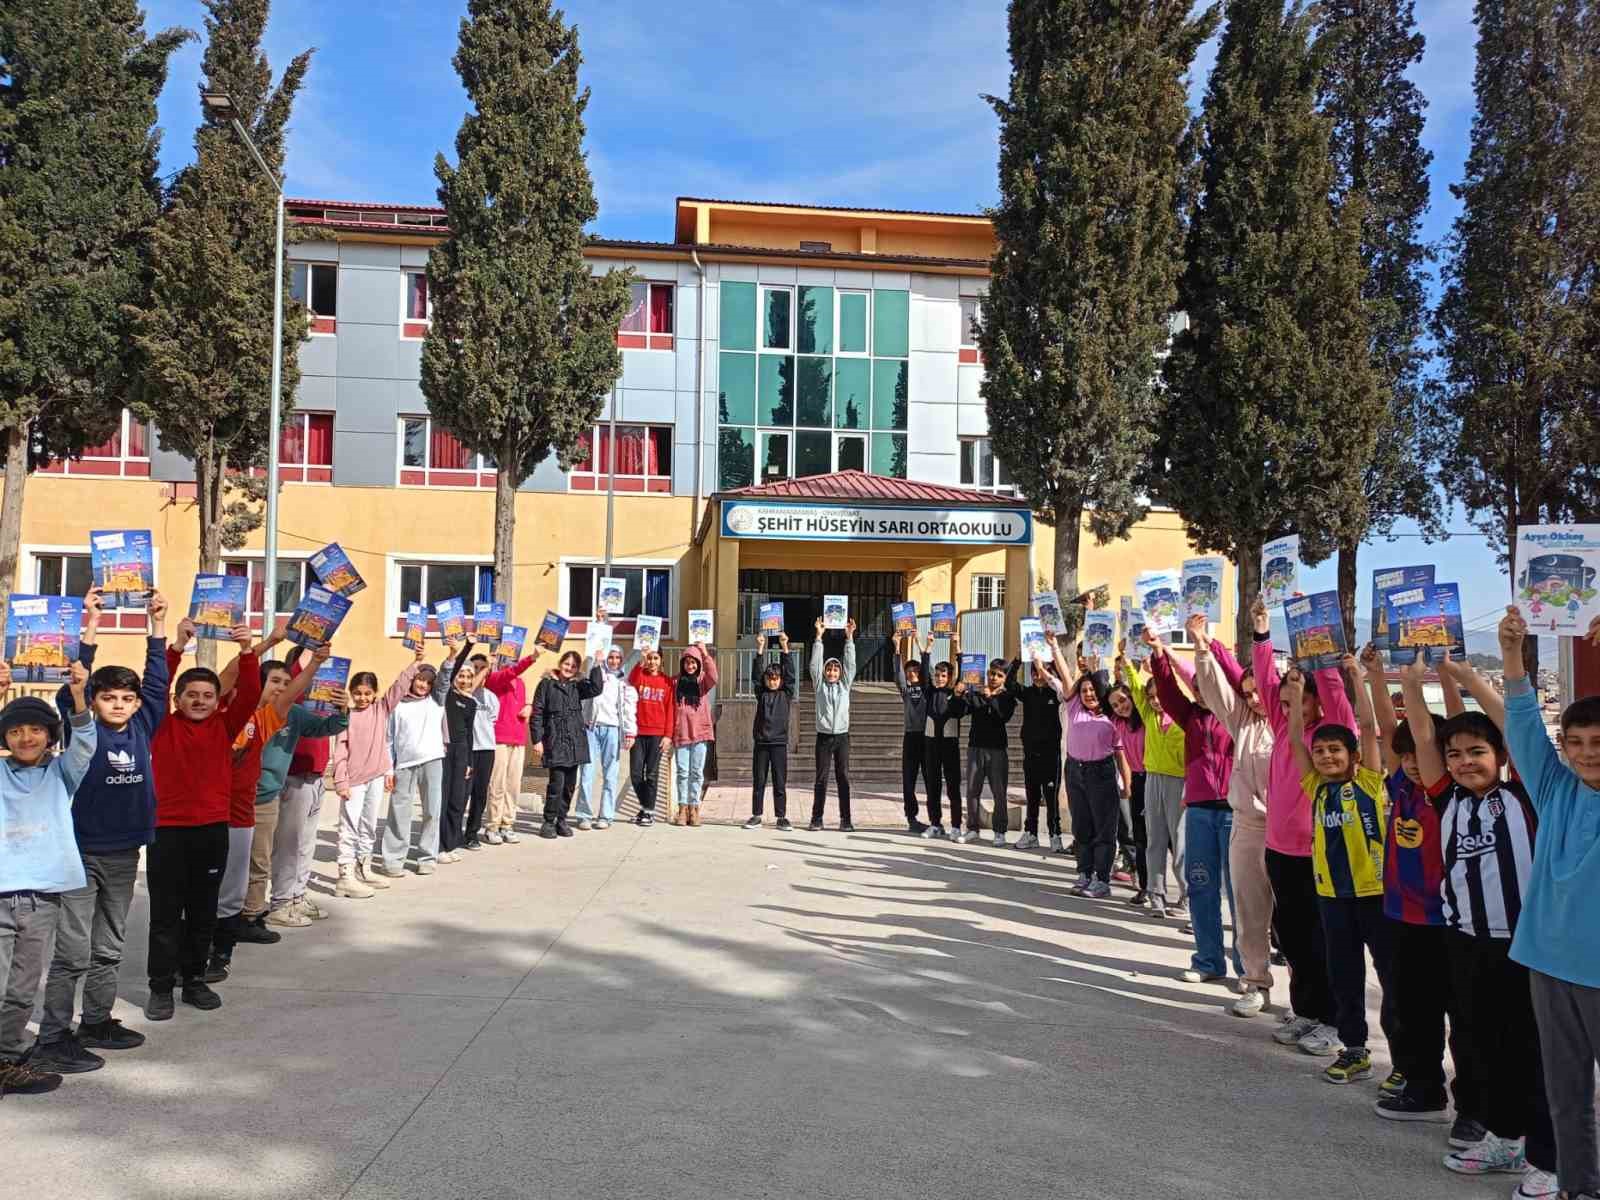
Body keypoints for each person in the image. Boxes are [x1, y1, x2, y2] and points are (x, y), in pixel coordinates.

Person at [1405, 628, 1555, 1190]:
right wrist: (1415, 685)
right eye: (1456, 755)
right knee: (1485, 1047)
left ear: (1498, 756)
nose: (1465, 762)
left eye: (1477, 752)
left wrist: (1466, 679)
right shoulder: (1446, 799)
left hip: (1525, 944)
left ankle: (1549, 1157)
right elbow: (1423, 734)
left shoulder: (1523, 794)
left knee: (1533, 1052)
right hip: (1466, 942)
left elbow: (1523, 731)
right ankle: (1505, 1137)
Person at [28, 590, 168, 1075]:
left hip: (125, 852)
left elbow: (157, 684)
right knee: (72, 950)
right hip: (79, 854)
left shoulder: (144, 724)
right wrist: (91, 622)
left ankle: (96, 1021)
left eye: (126, 699)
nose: (119, 705)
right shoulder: (82, 725)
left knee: (110, 945)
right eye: (109, 697)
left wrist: (159, 625)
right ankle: (52, 1036)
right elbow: (75, 686)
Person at [1496, 609, 1600, 1200]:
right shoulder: (1555, 787)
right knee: (1566, 1094)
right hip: (1546, 962)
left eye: (1597, 743)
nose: (1586, 754)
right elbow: (1524, 726)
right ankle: (1578, 1188)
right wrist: (1513, 655)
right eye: (1577, 743)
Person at [1364, 643, 1473, 1129]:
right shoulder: (1400, 786)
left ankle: (1473, 1107)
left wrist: (1443, 675)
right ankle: (1423, 1087)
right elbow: (1390, 729)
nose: (1411, 760)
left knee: (1466, 1022)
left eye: (1420, 754)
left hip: (1447, 920)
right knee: (1414, 1011)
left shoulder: (1449, 791)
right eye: (1405, 755)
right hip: (1402, 916)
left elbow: (1441, 727)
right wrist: (1372, 676)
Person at [1284, 654, 1395, 1087]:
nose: (1327, 756)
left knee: (1390, 977)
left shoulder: (1368, 781)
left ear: (1351, 756)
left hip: (1376, 894)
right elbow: (1295, 742)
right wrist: (1294, 697)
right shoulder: (1315, 787)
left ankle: (1404, 1058)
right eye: (1321, 751)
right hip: (1332, 897)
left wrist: (1357, 677)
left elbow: (1368, 729)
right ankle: (1354, 1050)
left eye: (1335, 750)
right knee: (1344, 976)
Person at [145, 624, 261, 1021]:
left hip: (212, 830)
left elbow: (250, 693)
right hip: (167, 831)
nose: (199, 700)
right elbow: (155, 687)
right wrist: (176, 646)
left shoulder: (226, 726)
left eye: (208, 695)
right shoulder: (161, 724)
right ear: (177, 699)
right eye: (191, 695)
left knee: (202, 911)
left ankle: (194, 980)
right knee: (164, 914)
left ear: (218, 701)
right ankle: (161, 987)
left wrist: (247, 648)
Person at [1251, 595, 1349, 1057]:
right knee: (1291, 938)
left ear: (1316, 703)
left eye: (1301, 699)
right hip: (1279, 850)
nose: (1290, 704)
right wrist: (1262, 634)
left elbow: (1334, 693)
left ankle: (1333, 1021)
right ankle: (1306, 1011)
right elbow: (1267, 681)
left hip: (1318, 853)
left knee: (1322, 939)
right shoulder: (1282, 723)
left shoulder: (1329, 737)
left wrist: (1319, 642)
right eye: (1287, 700)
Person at [210, 628, 329, 978]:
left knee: (244, 873)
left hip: (246, 809)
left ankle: (226, 944)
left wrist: (315, 664)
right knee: (210, 877)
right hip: (210, 807)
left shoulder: (266, 720)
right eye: (266, 681)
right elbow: (228, 676)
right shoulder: (222, 714)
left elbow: (290, 694)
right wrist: (262, 644)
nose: (276, 688)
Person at [0, 662, 94, 1097]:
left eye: (35, 729)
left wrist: (78, 695)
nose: (25, 737)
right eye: (15, 730)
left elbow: (86, 744)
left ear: (50, 736)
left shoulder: (61, 774)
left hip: (42, 900)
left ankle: (6, 1059)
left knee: (21, 989)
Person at [1189, 615, 1276, 1020]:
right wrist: (1202, 647)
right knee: (1249, 908)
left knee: (1293, 918)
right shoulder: (1244, 723)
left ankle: (1309, 1000)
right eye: (1248, 693)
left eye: (1260, 691)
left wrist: (1264, 636)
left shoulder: (1290, 724)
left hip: (1290, 832)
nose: (1255, 699)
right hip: (1247, 825)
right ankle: (1255, 981)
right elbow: (1216, 691)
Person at [1145, 625, 1239, 988]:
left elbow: (1235, 673)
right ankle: (1208, 960)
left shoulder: (1237, 715)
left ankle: (1248, 969)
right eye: (1196, 687)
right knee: (1201, 885)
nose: (1200, 692)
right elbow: (1168, 692)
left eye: (1206, 686)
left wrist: (1206, 643)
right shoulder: (1191, 717)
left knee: (1239, 894)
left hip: (1236, 812)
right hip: (1199, 809)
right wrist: (1158, 653)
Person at [254, 650, 351, 928]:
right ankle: (276, 903)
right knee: (280, 847)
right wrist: (313, 642)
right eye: (276, 681)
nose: (283, 687)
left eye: (287, 682)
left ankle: (295, 896)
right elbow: (301, 666)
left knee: (303, 845)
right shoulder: (276, 706)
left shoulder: (302, 708)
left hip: (315, 777)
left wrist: (343, 710)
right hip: (280, 784)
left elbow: (326, 727)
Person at [331, 647, 426, 897]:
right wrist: (341, 781)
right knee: (348, 827)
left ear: (374, 695)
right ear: (351, 694)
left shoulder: (381, 709)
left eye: (367, 693)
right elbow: (340, 750)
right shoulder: (345, 716)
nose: (362, 698)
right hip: (352, 780)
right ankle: (345, 875)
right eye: (357, 694)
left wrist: (415, 662)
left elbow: (398, 686)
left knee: (369, 825)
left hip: (375, 775)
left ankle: (364, 867)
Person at [1049, 637, 1126, 898]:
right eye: (1084, 691)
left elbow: (1119, 754)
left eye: (1093, 690)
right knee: (1082, 826)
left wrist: (1126, 782)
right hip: (1075, 771)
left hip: (1101, 773)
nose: (1089, 694)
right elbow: (1064, 673)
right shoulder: (1073, 708)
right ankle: (1084, 873)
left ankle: (1102, 879)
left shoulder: (1111, 716)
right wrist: (1054, 647)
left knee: (1104, 829)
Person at [1118, 649, 1187, 918]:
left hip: (1179, 782)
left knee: (1179, 841)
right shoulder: (1148, 716)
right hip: (1152, 780)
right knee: (1154, 840)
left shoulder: (1182, 717)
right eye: (1152, 698)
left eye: (1160, 696)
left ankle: (1186, 896)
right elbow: (1135, 687)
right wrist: (1127, 663)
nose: (1157, 701)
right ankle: (1156, 894)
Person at [382, 657, 448, 874]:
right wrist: (389, 769)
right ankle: (393, 859)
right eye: (420, 680)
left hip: (432, 761)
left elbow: (446, 679)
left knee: (431, 811)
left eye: (429, 682)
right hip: (404, 764)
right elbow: (389, 739)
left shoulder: (436, 701)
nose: (423, 685)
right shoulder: (398, 706)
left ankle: (427, 857)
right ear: (412, 680)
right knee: (399, 812)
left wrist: (452, 655)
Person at [530, 650, 604, 838]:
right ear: (560, 663)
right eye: (566, 663)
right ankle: (548, 822)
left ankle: (562, 820)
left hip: (574, 741)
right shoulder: (546, 684)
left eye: (573, 666)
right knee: (557, 784)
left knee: (570, 785)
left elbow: (596, 688)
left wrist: (596, 664)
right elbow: (537, 712)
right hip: (555, 739)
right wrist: (537, 739)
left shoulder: (577, 686)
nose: (569, 668)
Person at [575, 633, 636, 831]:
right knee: (587, 772)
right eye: (611, 657)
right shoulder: (595, 672)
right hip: (592, 727)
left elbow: (627, 709)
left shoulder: (623, 682)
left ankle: (606, 815)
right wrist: (601, 622)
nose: (614, 660)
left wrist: (629, 732)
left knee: (611, 774)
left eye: (618, 657)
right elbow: (596, 643)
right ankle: (584, 814)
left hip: (612, 729)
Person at [1007, 646, 1063, 852]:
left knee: (1051, 798)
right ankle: (1031, 833)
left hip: (1051, 754)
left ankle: (1055, 835)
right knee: (1031, 796)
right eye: (1035, 673)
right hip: (1031, 754)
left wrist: (1052, 660)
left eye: (1041, 672)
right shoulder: (1028, 693)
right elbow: (1009, 684)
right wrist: (1018, 660)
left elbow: (1063, 684)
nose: (1038, 676)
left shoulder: (1056, 694)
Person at [483, 645, 541, 844]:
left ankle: (507, 824)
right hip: (499, 739)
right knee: (497, 785)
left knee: (513, 785)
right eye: (506, 658)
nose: (511, 662)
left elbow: (520, 702)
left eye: (513, 658)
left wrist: (529, 706)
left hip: (518, 739)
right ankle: (492, 825)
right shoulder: (494, 679)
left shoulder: (521, 682)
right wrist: (532, 657)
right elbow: (511, 672)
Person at [809, 616, 858, 832]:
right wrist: (819, 637)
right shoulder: (819, 685)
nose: (831, 672)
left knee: (843, 779)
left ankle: (845, 820)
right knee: (821, 779)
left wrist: (849, 639)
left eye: (835, 670)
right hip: (823, 737)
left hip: (842, 737)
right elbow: (814, 665)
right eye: (829, 669)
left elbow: (851, 664)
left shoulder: (845, 685)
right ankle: (816, 818)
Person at [963, 656, 1017, 846]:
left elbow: (1002, 716)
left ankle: (1000, 831)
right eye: (992, 674)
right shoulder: (977, 693)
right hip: (975, 748)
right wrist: (961, 692)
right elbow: (963, 710)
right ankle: (972, 828)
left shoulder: (1007, 697)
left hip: (997, 750)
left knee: (999, 792)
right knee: (971, 790)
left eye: (999, 675)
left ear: (1004, 678)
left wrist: (990, 697)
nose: (994, 678)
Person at [746, 632, 794, 830]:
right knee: (759, 781)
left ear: (780, 680)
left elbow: (791, 675)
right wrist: (760, 648)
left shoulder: (786, 694)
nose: (773, 681)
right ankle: (756, 815)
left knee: (779, 782)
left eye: (776, 678)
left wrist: (785, 647)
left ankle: (781, 817)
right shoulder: (762, 693)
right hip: (761, 744)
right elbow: (756, 677)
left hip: (779, 744)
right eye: (770, 678)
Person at [453, 651, 500, 851]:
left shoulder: (491, 698)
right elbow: (470, 688)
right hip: (466, 750)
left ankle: (471, 833)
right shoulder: (462, 693)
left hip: (486, 750)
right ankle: (453, 833)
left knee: (480, 794)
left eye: (483, 668)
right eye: (476, 668)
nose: (480, 672)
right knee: (461, 794)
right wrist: (488, 666)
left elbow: (492, 722)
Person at [923, 627, 967, 840]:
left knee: (952, 787)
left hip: (950, 746)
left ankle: (956, 826)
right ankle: (935, 824)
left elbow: (965, 674)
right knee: (932, 786)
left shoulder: (955, 694)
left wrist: (957, 648)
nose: (939, 678)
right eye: (937, 675)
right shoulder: (930, 692)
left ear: (950, 677)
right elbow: (924, 672)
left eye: (943, 675)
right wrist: (929, 646)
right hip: (931, 745)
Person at [1106, 680, 1149, 898]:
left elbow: (1139, 688)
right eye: (1114, 705)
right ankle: (1145, 886)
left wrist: (1128, 664)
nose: (1120, 707)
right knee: (1140, 837)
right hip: (1137, 782)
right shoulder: (1117, 723)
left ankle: (1184, 893)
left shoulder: (1146, 718)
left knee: (1169, 840)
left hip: (1156, 778)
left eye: (1123, 700)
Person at [438, 638, 479, 858]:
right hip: (445, 750)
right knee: (443, 800)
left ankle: (452, 844)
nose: (464, 680)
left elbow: (469, 733)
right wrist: (468, 647)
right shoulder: (447, 695)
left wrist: (470, 762)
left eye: (469, 676)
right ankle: (439, 847)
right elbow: (450, 670)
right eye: (461, 676)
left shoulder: (472, 702)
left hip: (462, 752)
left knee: (457, 800)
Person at [671, 638, 719, 826]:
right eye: (687, 662)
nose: (690, 665)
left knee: (697, 772)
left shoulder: (702, 682)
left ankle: (694, 808)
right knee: (683, 772)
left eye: (693, 662)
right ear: (683, 664)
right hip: (681, 734)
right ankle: (682, 809)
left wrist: (704, 653)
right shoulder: (675, 681)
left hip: (700, 734)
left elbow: (714, 676)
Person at [628, 645, 675, 826]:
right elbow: (631, 679)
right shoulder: (640, 676)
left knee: (652, 775)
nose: (652, 662)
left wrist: (668, 735)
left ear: (661, 660)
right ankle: (646, 807)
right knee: (635, 774)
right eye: (650, 658)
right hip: (638, 733)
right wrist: (641, 659)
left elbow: (671, 710)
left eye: (656, 658)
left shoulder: (667, 682)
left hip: (657, 735)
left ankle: (647, 811)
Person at [894, 633, 934, 835]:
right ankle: (912, 818)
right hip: (910, 737)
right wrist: (897, 647)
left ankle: (935, 819)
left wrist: (924, 646)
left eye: (915, 670)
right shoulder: (906, 690)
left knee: (930, 779)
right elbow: (898, 675)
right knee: (908, 780)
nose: (911, 673)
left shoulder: (927, 689)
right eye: (908, 671)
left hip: (926, 738)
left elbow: (927, 670)